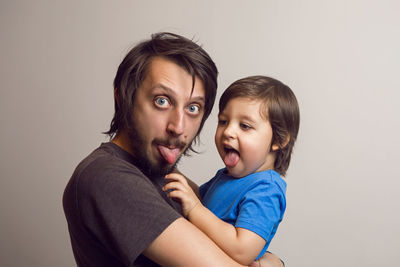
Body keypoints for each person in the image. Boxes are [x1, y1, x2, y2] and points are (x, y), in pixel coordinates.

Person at [63, 32, 285, 266]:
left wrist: (272, 260)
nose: (178, 127)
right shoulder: (107, 177)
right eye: (162, 101)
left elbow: (228, 235)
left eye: (193, 108)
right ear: (123, 97)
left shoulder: (159, 172)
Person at [164, 76, 300, 266]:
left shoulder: (266, 189)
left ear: (279, 140)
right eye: (223, 121)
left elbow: (241, 250)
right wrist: (171, 172)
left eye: (245, 126)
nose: (228, 131)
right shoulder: (226, 177)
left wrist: (195, 208)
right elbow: (199, 201)